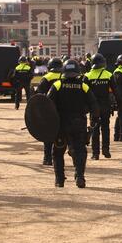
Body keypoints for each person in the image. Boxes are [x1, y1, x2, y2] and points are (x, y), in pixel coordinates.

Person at [47, 59, 98, 188]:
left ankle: (59, 180)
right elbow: (94, 106)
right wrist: (93, 123)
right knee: (80, 151)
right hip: (78, 124)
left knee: (58, 152)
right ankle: (80, 176)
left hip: (60, 125)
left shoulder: (57, 85)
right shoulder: (83, 86)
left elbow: (47, 105)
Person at [84, 53, 115, 160]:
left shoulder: (87, 76)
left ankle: (95, 153)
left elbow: (83, 93)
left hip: (93, 107)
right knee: (105, 128)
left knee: (94, 129)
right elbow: (116, 91)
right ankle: (106, 151)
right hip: (106, 106)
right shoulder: (109, 75)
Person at [36, 57, 63, 166]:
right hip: (64, 110)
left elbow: (38, 94)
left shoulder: (46, 78)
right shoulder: (64, 77)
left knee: (48, 135)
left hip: (49, 111)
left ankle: (47, 158)